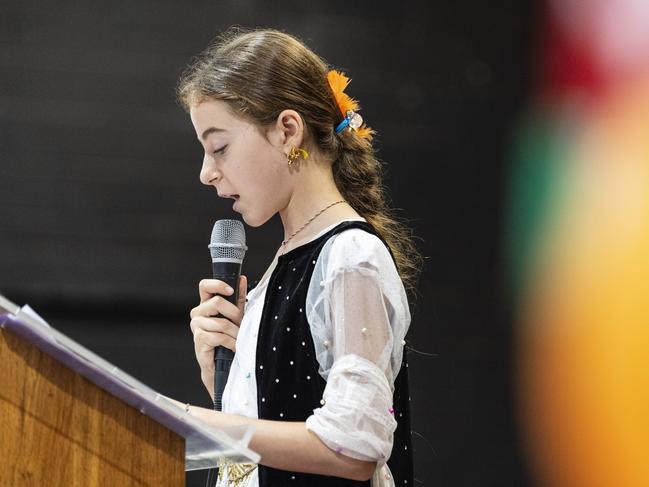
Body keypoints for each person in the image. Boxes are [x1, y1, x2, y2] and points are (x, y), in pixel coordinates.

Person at [176, 27, 422, 487]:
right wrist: (225, 383)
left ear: (288, 129)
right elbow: (269, 438)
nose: (207, 172)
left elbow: (354, 446)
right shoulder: (279, 270)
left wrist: (194, 423)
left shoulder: (351, 256)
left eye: (220, 147)